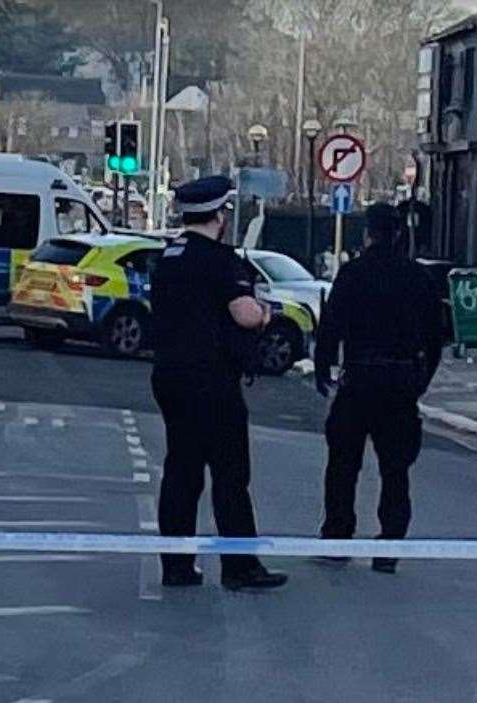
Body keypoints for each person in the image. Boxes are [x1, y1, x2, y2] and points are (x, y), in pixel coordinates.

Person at [150, 175, 288, 591]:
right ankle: (240, 566)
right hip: (211, 379)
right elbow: (244, 313)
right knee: (229, 474)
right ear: (220, 215)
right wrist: (264, 313)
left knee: (181, 471)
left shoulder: (168, 257)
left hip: (170, 375)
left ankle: (176, 565)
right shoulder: (220, 259)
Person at [314, 202, 444, 574]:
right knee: (395, 469)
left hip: (358, 380)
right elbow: (435, 339)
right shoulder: (418, 278)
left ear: (368, 233)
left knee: (342, 464)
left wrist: (324, 367)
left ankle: (337, 537)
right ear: (399, 233)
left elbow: (332, 325)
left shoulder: (353, 273)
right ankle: (389, 544)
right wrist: (421, 381)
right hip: (400, 383)